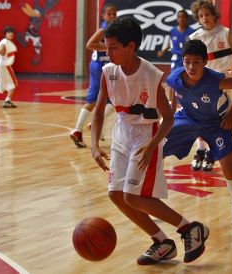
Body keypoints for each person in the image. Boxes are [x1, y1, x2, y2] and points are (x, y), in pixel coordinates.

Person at [91, 17, 209, 265]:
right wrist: (94, 145)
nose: (108, 52)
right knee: (115, 194)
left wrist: (152, 145)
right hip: (121, 133)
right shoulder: (107, 72)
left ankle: (189, 228)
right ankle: (162, 242)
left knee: (132, 196)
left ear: (131, 46)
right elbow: (99, 109)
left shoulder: (151, 75)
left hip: (145, 136)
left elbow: (167, 119)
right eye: (106, 47)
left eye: (113, 47)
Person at [163, 39, 232, 226]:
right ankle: (148, 195)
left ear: (205, 62)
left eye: (196, 62)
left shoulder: (216, 80)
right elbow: (171, 86)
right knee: (157, 145)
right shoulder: (175, 77)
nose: (191, 66)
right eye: (187, 61)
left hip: (216, 123)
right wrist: (171, 108)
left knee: (228, 166)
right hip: (188, 117)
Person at [188, 0, 232, 172]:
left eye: (207, 14)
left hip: (223, 81)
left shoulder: (226, 32)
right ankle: (200, 149)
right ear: (198, 18)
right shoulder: (194, 37)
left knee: (218, 121)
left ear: (214, 15)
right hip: (202, 83)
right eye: (201, 16)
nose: (204, 18)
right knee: (200, 119)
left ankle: (211, 151)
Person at [69, 3, 117, 148]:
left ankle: (94, 125)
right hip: (99, 67)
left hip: (105, 66)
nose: (112, 16)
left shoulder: (113, 29)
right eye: (109, 14)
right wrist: (108, 47)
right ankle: (78, 129)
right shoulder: (103, 29)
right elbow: (89, 44)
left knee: (113, 100)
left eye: (114, 14)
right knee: (93, 100)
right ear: (103, 16)